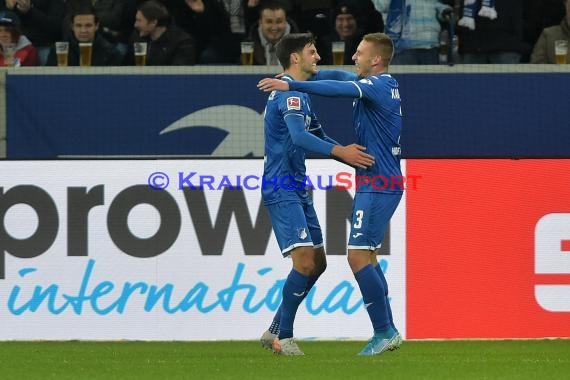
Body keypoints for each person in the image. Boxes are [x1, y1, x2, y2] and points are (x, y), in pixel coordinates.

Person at [258, 32, 403, 356]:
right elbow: (304, 132)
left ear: (376, 59)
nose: (351, 57)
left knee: (352, 256)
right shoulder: (293, 96)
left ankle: (384, 331)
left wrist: (295, 81)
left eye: (360, 52)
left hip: (373, 182)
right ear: (296, 57)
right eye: (312, 52)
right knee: (320, 261)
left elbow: (336, 87)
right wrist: (341, 150)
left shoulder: (372, 86)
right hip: (286, 186)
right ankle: (283, 335)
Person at [46, 4, 124, 66]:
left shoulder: (111, 53)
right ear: (72, 26)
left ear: (96, 26)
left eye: (88, 25)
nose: (83, 30)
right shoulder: (57, 51)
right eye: (79, 25)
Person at [126, 0, 196, 66]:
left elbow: (179, 74)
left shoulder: (182, 42)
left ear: (153, 23)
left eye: (139, 21)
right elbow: (130, 67)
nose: (135, 25)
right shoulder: (137, 37)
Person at [385, 0, 452, 65]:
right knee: (407, 74)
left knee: (430, 75)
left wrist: (445, 10)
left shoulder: (432, 1)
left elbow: (439, 6)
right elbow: (381, 6)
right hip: (407, 46)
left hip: (430, 45)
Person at [0, 0, 66, 66]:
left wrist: (30, 10)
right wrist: (8, 8)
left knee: (46, 56)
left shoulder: (52, 3)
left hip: (41, 44)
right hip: (9, 44)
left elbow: (57, 29)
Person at [247, 1, 299, 65]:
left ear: (285, 22)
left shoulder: (301, 47)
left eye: (279, 21)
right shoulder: (248, 47)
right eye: (269, 22)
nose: (274, 27)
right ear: (260, 23)